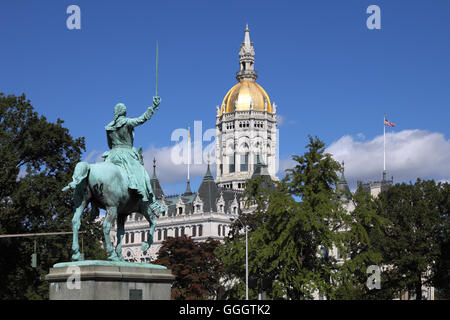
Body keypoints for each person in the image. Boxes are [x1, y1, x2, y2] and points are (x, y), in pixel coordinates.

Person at [102, 96, 161, 205]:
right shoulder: (127, 122)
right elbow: (141, 119)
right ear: (123, 112)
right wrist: (153, 107)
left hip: (112, 155)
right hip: (126, 153)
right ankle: (141, 192)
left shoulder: (109, 127)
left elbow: (109, 144)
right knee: (141, 173)